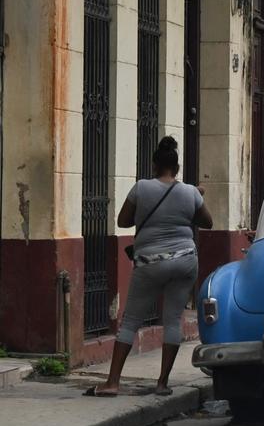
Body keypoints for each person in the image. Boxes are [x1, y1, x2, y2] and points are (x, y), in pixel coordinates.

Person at [88, 137, 212, 397]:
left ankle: (112, 383)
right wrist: (194, 196)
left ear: (154, 165)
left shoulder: (141, 188)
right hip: (185, 259)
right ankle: (162, 383)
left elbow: (123, 221)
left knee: (131, 320)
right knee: (173, 320)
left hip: (150, 261)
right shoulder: (189, 192)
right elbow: (207, 222)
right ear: (176, 168)